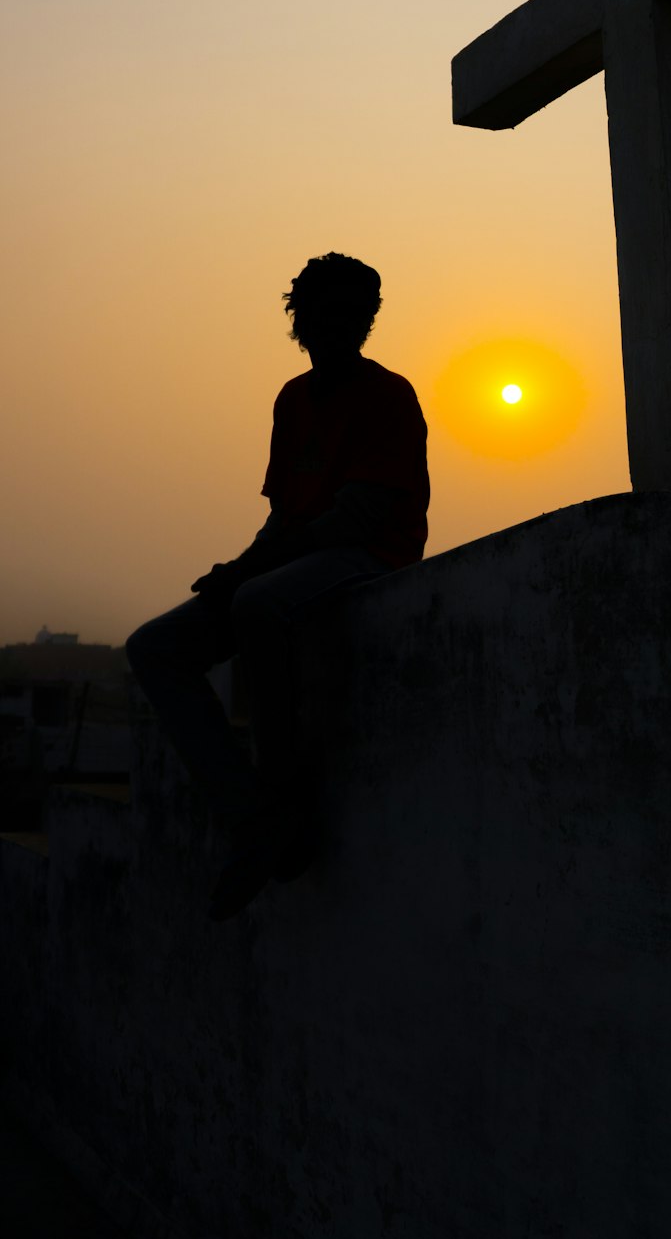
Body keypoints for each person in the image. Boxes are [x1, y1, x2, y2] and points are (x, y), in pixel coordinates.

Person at [126, 253, 429, 922]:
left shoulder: (387, 395)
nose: (348, 324)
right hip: (299, 557)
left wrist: (246, 575)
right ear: (301, 315)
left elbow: (355, 518)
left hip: (371, 556)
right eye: (333, 310)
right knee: (155, 648)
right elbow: (284, 516)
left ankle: (280, 786)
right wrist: (237, 567)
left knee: (258, 603)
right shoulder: (293, 399)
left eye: (361, 313)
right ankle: (255, 816)